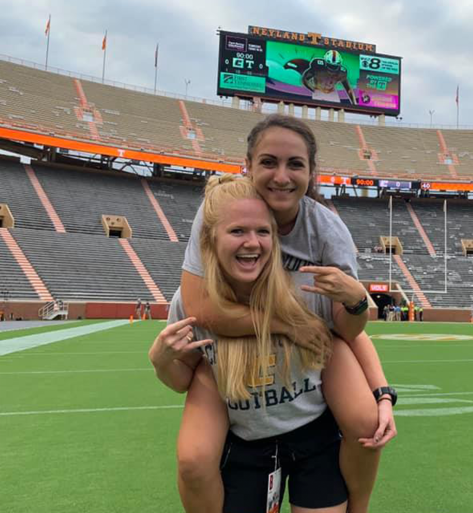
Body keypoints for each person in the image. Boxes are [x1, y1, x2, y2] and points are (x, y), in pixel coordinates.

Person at [174, 115, 395, 513]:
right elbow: (201, 308)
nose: (281, 176)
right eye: (268, 162)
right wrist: (284, 325)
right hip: (240, 349)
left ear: (312, 173)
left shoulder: (327, 232)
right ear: (248, 165)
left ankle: (358, 507)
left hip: (311, 346)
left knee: (365, 425)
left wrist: (356, 302)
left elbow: (348, 330)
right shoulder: (220, 210)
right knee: (193, 458)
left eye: (295, 164)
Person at [150, 175, 345, 512]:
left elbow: (352, 341)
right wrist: (161, 361)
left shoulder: (304, 290)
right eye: (237, 231)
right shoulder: (191, 302)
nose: (252, 243)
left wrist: (382, 394)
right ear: (210, 240)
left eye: (262, 232)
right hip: (246, 443)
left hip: (313, 435)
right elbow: (183, 380)